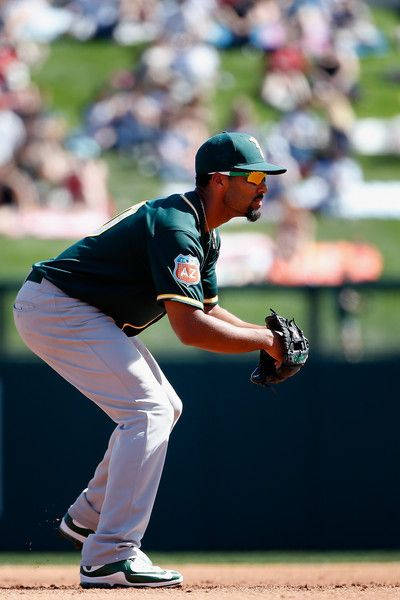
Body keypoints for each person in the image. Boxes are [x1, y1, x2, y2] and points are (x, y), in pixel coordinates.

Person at [13, 131, 286, 589]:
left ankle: (89, 516)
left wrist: (264, 340)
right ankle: (109, 556)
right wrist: (266, 341)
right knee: (148, 410)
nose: (264, 185)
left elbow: (208, 309)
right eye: (254, 176)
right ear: (219, 181)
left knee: (166, 406)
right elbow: (191, 329)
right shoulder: (178, 226)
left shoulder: (203, 231)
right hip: (58, 307)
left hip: (75, 309)